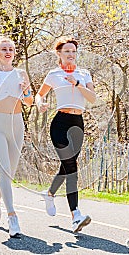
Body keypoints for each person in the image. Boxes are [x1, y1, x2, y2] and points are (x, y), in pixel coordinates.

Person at [35, 36, 96, 233]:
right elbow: (39, 94)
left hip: (78, 124)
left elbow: (92, 98)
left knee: (68, 165)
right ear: (59, 54)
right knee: (71, 167)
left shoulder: (84, 73)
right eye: (67, 51)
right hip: (60, 123)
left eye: (73, 51)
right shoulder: (53, 74)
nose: (71, 54)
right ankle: (75, 215)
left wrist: (78, 83)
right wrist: (40, 103)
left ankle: (50, 193)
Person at [0, 36, 33, 238]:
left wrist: (25, 90)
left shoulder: (21, 73)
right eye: (3, 49)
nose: (8, 51)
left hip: (17, 124)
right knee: (4, 168)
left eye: (10, 48)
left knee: (9, 172)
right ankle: (12, 217)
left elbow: (28, 101)